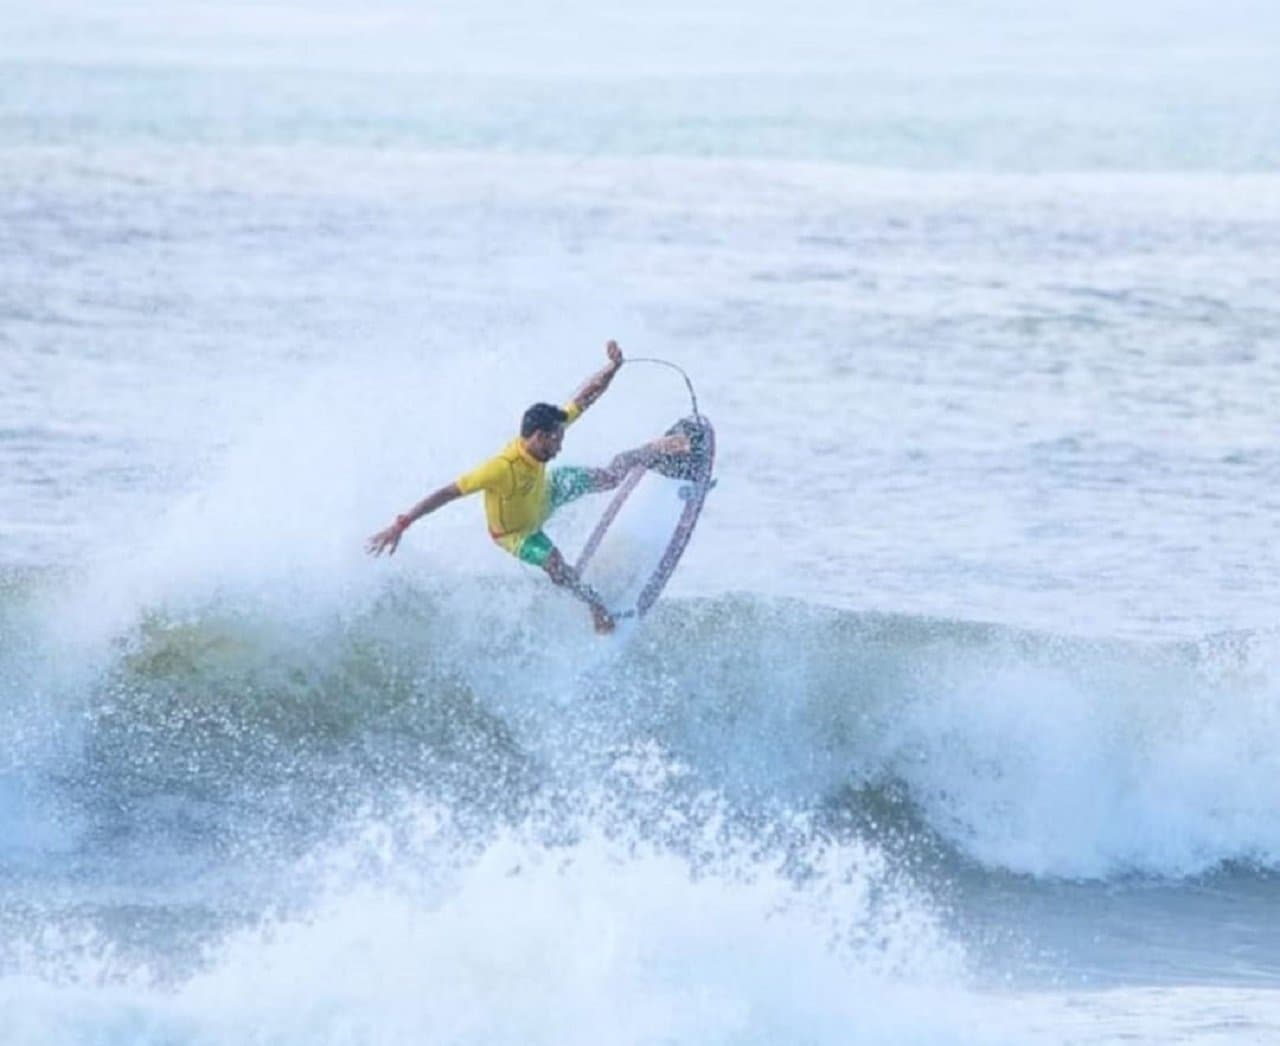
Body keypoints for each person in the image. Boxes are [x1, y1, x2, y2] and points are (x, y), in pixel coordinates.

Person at [366, 341, 688, 634]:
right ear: (539, 436)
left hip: (545, 493)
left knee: (610, 477)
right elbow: (447, 493)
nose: (560, 446)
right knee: (556, 566)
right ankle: (595, 607)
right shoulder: (500, 468)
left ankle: (651, 450)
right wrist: (401, 523)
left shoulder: (547, 434)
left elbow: (582, 399)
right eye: (556, 440)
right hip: (517, 533)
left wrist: (612, 368)